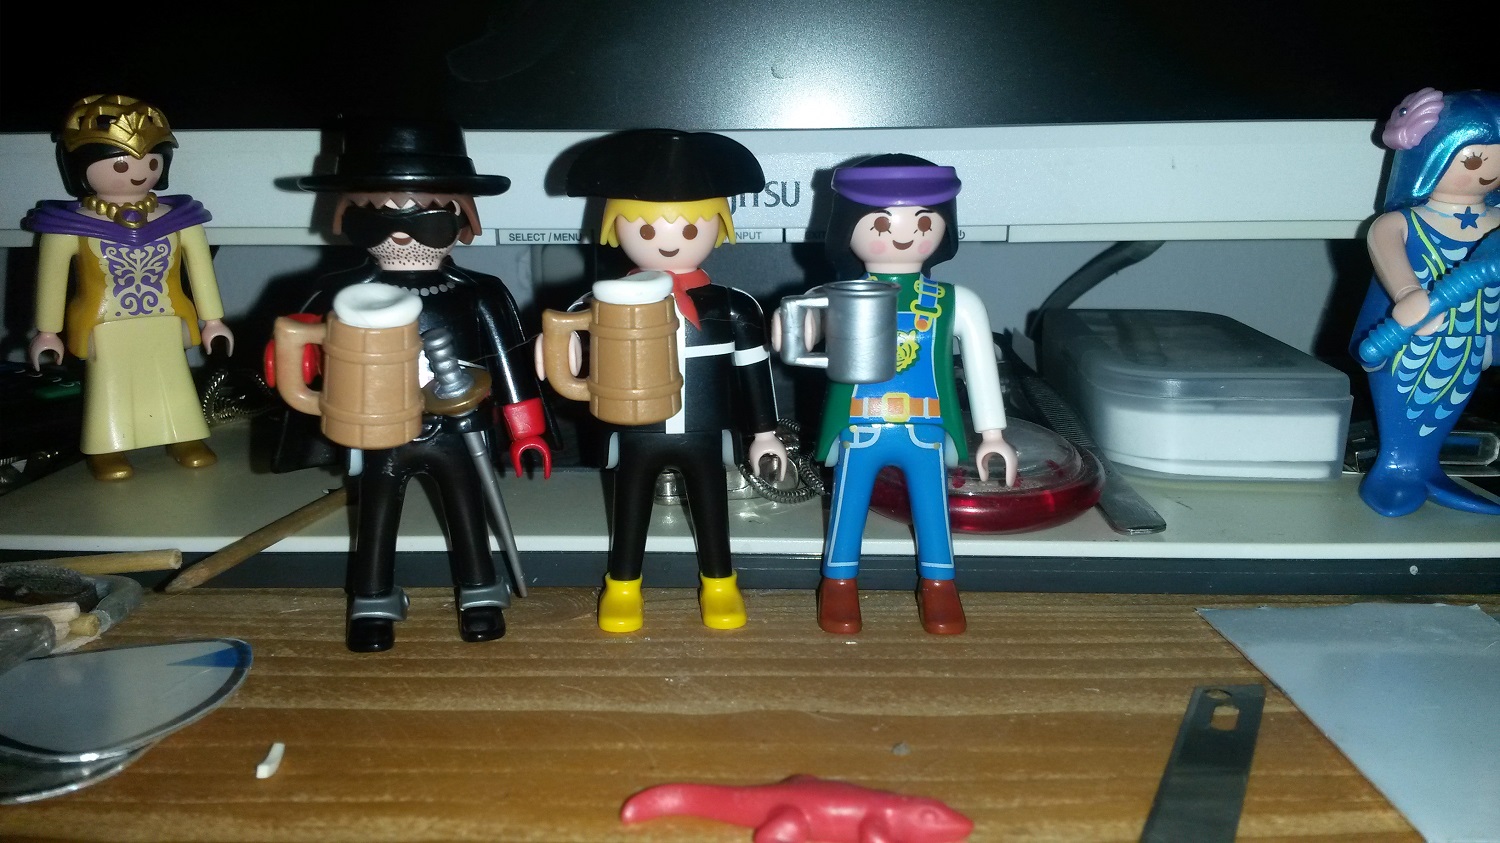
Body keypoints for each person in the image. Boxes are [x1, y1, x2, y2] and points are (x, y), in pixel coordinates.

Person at [283, 118, 552, 651]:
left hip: (458, 428)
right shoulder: (341, 293)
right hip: (380, 430)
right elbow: (300, 351)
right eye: (376, 218)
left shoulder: (477, 292)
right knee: (376, 518)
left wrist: (526, 428)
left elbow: (509, 362)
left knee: (467, 511)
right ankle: (372, 600)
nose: (402, 234)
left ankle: (479, 593)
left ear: (461, 218)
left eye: (425, 217)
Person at [557, 128, 788, 633]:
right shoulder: (606, 300)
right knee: (629, 511)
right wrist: (562, 349)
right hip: (636, 430)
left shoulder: (733, 305)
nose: (667, 241)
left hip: (704, 432)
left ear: (718, 227)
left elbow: (753, 371)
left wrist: (764, 433)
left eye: (688, 229)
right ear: (615, 228)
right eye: (646, 230)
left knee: (712, 511)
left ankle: (720, 583)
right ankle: (623, 586)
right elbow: (568, 339)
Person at [780, 154, 1017, 635]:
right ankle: (838, 584)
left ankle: (940, 586)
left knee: (933, 511)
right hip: (860, 425)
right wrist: (791, 325)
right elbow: (800, 337)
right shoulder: (840, 293)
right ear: (847, 228)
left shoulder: (954, 301)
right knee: (847, 509)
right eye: (882, 223)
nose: (904, 235)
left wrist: (993, 434)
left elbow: (980, 368)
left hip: (924, 427)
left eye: (923, 221)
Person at [25, 94, 232, 481]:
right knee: (109, 387)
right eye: (121, 164)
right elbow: (51, 280)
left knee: (174, 379)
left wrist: (214, 321)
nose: (138, 174)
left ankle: (184, 436)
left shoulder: (181, 219)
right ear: (82, 167)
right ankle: (107, 447)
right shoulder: (67, 227)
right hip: (104, 323)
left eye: (151, 162)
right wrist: (47, 332)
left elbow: (201, 270)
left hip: (166, 316)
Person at [1350, 88, 1500, 517]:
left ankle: (1425, 467)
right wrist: (1406, 294)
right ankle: (1397, 467)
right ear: (1434, 156)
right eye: (1475, 160)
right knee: (1408, 398)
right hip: (1409, 342)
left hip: (1474, 339)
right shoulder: (1399, 223)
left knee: (1452, 398)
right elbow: (1391, 261)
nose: (1490, 173)